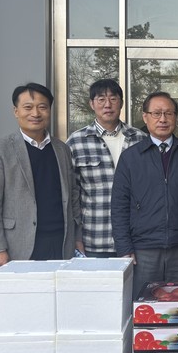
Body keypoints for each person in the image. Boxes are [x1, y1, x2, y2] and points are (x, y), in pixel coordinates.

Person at [111, 92, 178, 296]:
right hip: (143, 249)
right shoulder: (131, 157)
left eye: (168, 113)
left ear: (175, 117)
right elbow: (119, 205)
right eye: (156, 113)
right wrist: (124, 247)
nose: (162, 119)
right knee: (144, 303)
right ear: (145, 117)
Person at [0, 83, 81, 267]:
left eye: (42, 107)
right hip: (18, 244)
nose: (35, 113)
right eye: (28, 107)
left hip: (61, 241)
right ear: (16, 111)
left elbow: (73, 196)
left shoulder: (62, 149)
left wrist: (77, 237)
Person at [67, 79, 146, 257]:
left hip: (137, 239)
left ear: (122, 103)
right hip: (94, 238)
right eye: (101, 99)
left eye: (113, 98)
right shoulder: (76, 142)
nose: (107, 105)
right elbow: (71, 195)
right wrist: (76, 237)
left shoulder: (140, 139)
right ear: (91, 104)